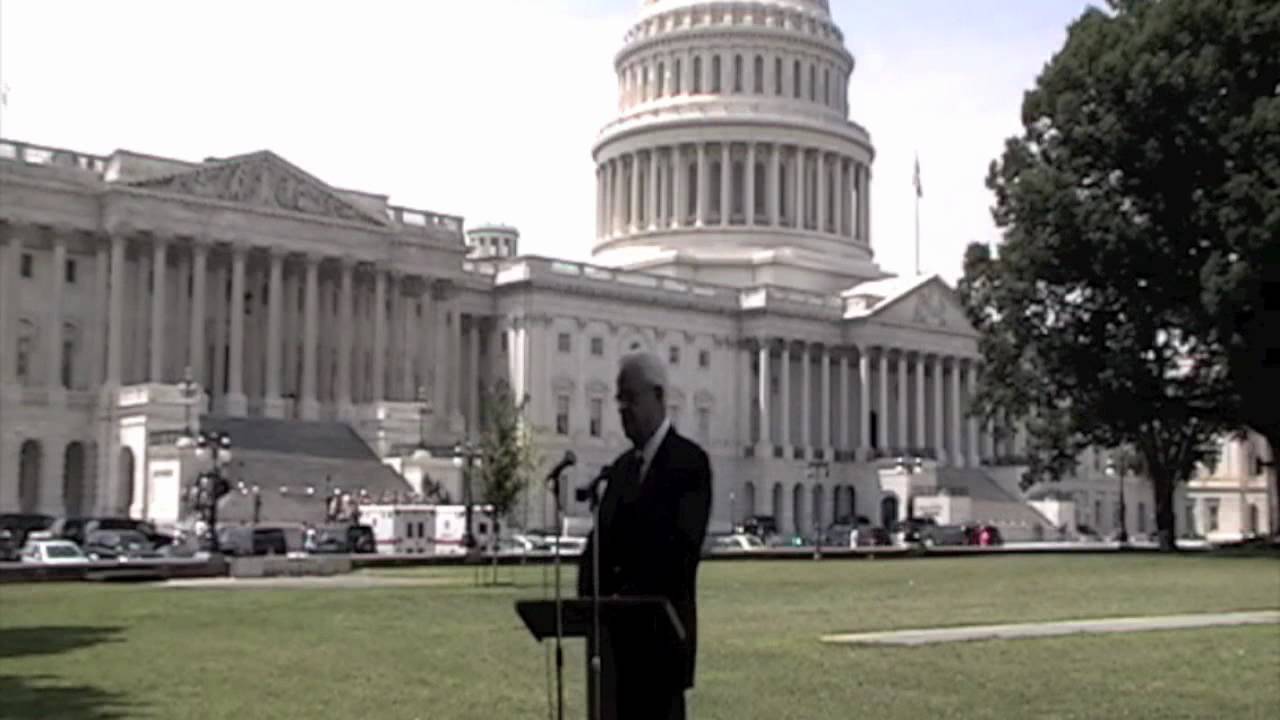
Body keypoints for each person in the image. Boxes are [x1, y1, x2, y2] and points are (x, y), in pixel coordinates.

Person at [577, 352, 713, 720]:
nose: (623, 409)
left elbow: (681, 551)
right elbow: (598, 547)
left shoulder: (690, 463)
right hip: (614, 648)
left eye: (630, 398)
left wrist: (624, 596)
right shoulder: (620, 470)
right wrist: (588, 599)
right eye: (619, 400)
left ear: (658, 396)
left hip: (662, 645)